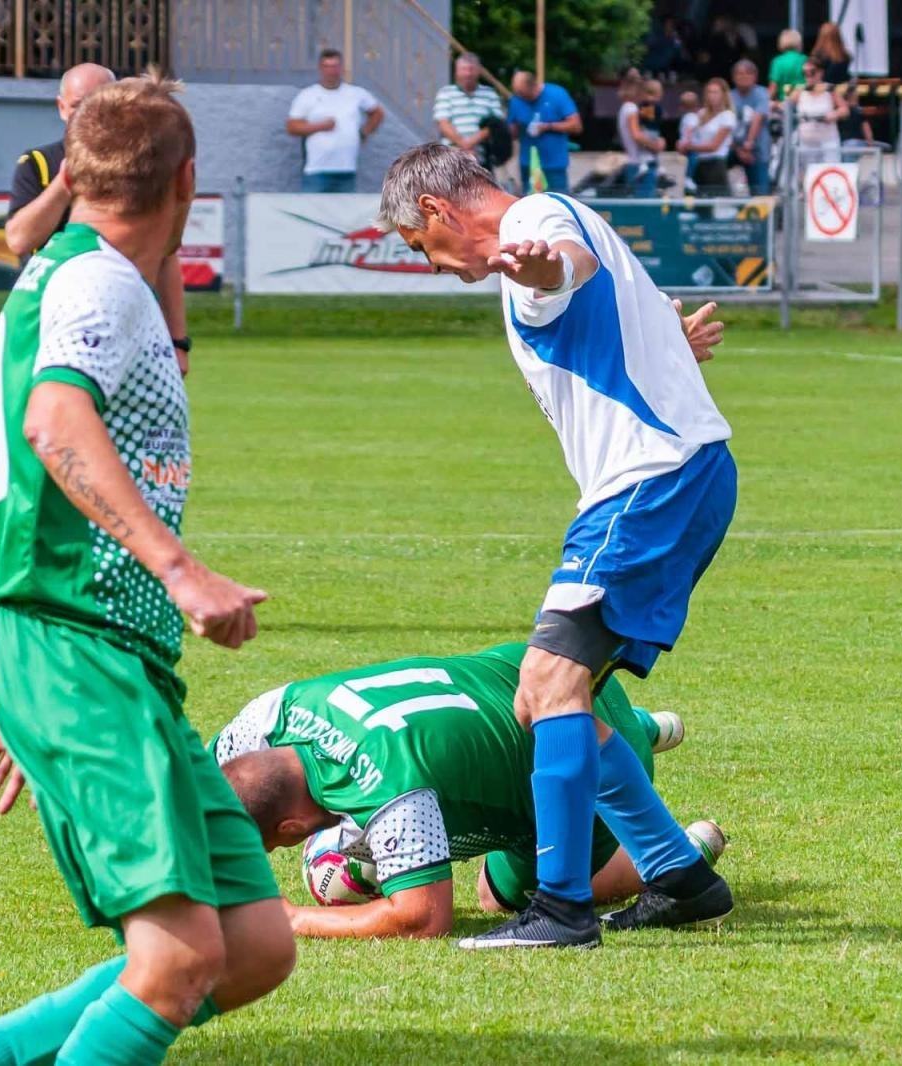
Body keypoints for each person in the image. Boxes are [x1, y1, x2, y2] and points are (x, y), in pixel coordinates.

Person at [0, 75, 295, 1066]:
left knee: (252, 946)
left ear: (71, 175)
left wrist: (13, 671)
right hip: (84, 654)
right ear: (188, 182)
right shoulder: (100, 286)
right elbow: (53, 420)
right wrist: (181, 572)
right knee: (177, 961)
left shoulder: (55, 280)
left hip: (85, 657)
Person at [377, 144, 736, 949]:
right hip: (675, 476)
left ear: (436, 209)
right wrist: (669, 343)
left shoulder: (535, 228)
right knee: (542, 696)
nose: (432, 265)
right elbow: (611, 309)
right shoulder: (562, 214)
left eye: (421, 246)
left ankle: (563, 910)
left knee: (548, 682)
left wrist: (543, 269)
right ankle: (680, 877)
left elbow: (565, 266)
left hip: (648, 484)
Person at [212, 644, 727, 939]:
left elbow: (422, 918)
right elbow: (190, 782)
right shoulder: (269, 714)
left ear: (292, 829)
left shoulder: (392, 793)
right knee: (492, 736)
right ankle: (641, 724)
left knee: (498, 895)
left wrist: (291, 918)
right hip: (551, 679)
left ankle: (676, 854)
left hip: (571, 749)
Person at [6, 64, 192, 376]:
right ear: (61, 108)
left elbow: (166, 255)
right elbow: (19, 240)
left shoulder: (140, 165)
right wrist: (65, 182)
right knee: (63, 393)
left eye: (99, 103)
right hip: (53, 317)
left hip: (129, 314)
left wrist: (177, 342)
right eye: (79, 105)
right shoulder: (39, 164)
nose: (89, 114)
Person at [286, 48, 385, 194]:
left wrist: (364, 133)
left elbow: (377, 112)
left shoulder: (356, 93)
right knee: (312, 207)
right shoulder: (307, 95)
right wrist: (319, 127)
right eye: (327, 66)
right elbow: (292, 127)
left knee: (346, 209)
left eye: (335, 66)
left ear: (341, 68)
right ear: (320, 68)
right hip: (316, 170)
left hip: (347, 169)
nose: (331, 71)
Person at [508, 70, 581, 194]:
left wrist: (548, 127)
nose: (520, 97)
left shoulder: (557, 94)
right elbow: (512, 131)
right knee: (529, 202)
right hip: (528, 164)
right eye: (518, 94)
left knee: (557, 200)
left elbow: (576, 126)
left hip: (553, 164)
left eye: (523, 94)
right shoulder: (516, 101)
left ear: (533, 87)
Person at [434, 52, 503, 168]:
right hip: (451, 157)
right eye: (464, 69)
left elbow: (496, 124)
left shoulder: (490, 94)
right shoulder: (445, 93)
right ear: (457, 72)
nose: (468, 73)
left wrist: (472, 142)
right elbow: (443, 124)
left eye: (471, 69)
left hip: (482, 157)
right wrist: (464, 146)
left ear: (478, 71)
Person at [679, 77, 738, 196]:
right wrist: (683, 144)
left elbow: (714, 146)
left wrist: (690, 146)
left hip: (716, 165)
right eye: (709, 92)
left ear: (723, 95)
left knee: (718, 201)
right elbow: (691, 135)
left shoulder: (727, 116)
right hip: (699, 164)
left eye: (715, 92)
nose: (712, 96)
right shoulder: (701, 114)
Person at [791, 60, 846, 168]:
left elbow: (845, 110)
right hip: (806, 143)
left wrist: (834, 114)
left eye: (812, 72)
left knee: (830, 171)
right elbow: (785, 106)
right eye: (804, 73)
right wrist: (774, 105)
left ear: (821, 72)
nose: (808, 76)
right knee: (808, 173)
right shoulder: (799, 90)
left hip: (828, 141)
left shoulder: (829, 89)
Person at [617, 74, 665, 198]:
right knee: (645, 201)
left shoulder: (625, 108)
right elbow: (637, 135)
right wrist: (656, 145)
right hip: (638, 163)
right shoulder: (632, 108)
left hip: (633, 162)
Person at [729, 60, 772, 195]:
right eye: (740, 73)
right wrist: (739, 150)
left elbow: (758, 119)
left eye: (748, 73)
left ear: (755, 77)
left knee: (760, 194)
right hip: (733, 148)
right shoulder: (729, 96)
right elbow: (725, 127)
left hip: (757, 150)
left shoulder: (762, 93)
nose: (744, 76)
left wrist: (748, 145)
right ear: (733, 77)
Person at [810, 21, 852, 86]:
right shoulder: (845, 56)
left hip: (823, 88)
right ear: (838, 36)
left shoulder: (818, 56)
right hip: (841, 88)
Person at [768, 28, 806, 101]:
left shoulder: (777, 61)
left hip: (784, 102)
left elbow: (773, 87)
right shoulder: (805, 59)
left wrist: (767, 101)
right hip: (803, 101)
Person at [676, 88, 701, 193]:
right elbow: (689, 130)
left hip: (691, 145)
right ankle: (689, 178)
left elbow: (689, 130)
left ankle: (689, 178)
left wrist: (683, 143)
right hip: (690, 145)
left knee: (691, 162)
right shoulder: (693, 117)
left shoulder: (689, 117)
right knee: (691, 161)